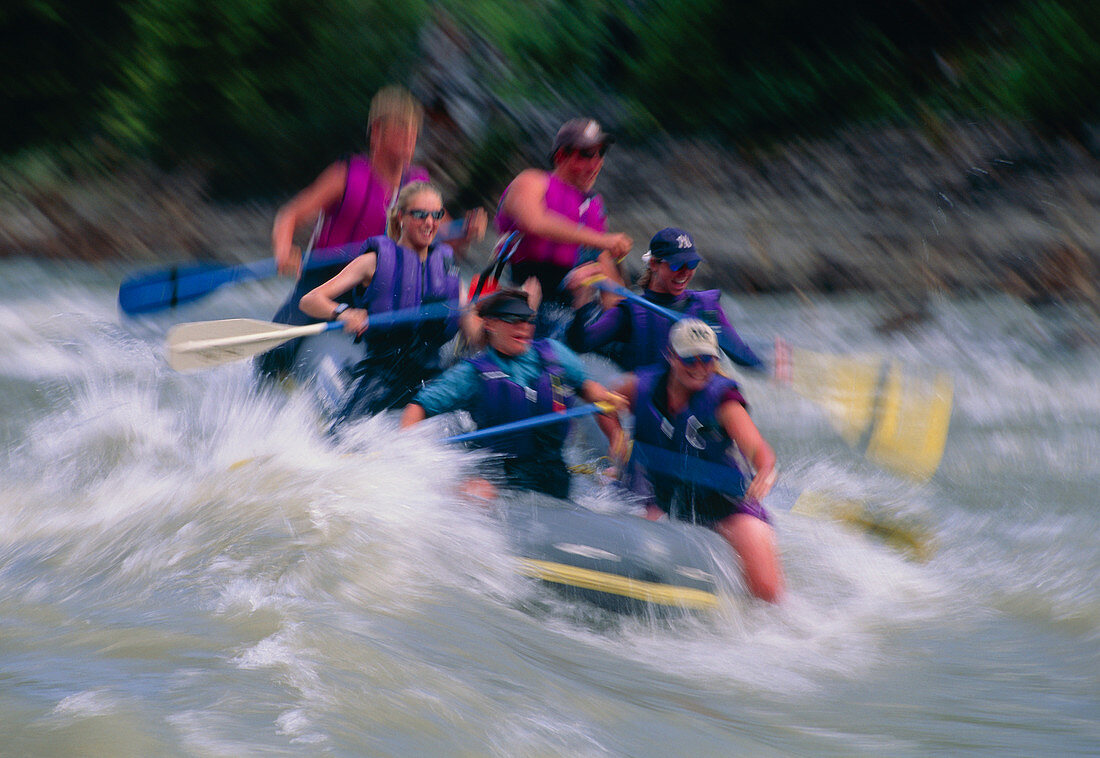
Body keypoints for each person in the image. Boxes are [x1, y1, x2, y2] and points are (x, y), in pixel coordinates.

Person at [258, 85, 485, 375]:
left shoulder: (419, 184)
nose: (411, 138)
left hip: (383, 283)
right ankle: (278, 372)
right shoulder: (344, 175)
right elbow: (289, 215)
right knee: (275, 356)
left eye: (415, 131)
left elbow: (445, 242)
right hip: (328, 279)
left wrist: (465, 233)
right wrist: (283, 249)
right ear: (377, 132)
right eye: (402, 130)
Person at [613, 319, 783, 602]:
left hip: (726, 508)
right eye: (689, 358)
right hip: (669, 503)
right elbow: (605, 403)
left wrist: (765, 469)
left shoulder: (723, 402)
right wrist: (615, 436)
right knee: (636, 561)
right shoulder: (641, 386)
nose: (699, 367)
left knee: (767, 590)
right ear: (670, 355)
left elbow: (756, 448)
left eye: (707, 359)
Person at [401, 288, 625, 500]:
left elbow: (591, 391)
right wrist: (408, 452)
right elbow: (418, 407)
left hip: (552, 473)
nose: (524, 327)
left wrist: (615, 435)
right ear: (490, 324)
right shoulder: (471, 374)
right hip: (498, 476)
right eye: (513, 320)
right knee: (478, 495)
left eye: (528, 320)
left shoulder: (554, 354)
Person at [298, 182, 464, 422]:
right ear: (401, 217)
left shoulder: (448, 266)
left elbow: (468, 321)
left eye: (436, 215)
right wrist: (344, 313)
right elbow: (310, 300)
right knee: (342, 437)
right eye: (420, 214)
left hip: (430, 375)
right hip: (383, 374)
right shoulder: (373, 261)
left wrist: (499, 316)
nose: (430, 223)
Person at [494, 118, 632, 337]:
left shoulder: (593, 205)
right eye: (586, 155)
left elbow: (607, 275)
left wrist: (624, 318)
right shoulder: (531, 181)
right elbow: (534, 222)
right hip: (520, 300)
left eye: (600, 154)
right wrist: (603, 240)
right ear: (561, 156)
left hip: (567, 311)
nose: (595, 164)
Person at [566, 227, 763, 372]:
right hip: (651, 409)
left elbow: (742, 356)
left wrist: (770, 365)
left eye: (692, 264)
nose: (685, 273)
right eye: (677, 265)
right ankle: (596, 255)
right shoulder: (630, 311)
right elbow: (581, 343)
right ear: (654, 264)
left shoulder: (707, 308)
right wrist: (581, 300)